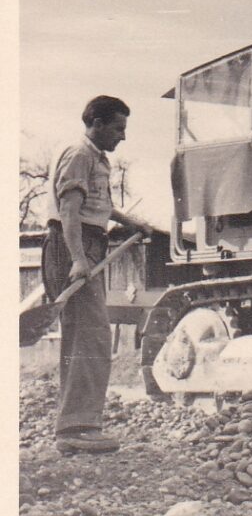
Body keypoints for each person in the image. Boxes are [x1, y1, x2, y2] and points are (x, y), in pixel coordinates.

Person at [43, 95, 155, 454]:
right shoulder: (79, 154)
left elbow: (96, 207)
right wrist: (78, 258)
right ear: (98, 124)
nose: (123, 137)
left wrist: (128, 221)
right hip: (72, 245)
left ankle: (74, 428)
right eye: (118, 128)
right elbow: (69, 211)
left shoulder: (94, 158)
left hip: (87, 244)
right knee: (90, 336)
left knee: (84, 336)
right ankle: (77, 427)